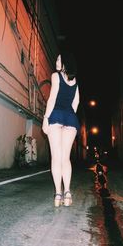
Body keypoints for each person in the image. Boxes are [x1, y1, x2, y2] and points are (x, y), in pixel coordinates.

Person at [42, 51, 80, 207]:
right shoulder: (75, 81)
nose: (56, 60)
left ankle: (58, 194)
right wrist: (68, 115)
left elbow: (52, 98)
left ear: (64, 63)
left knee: (56, 158)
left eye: (59, 58)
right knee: (66, 158)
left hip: (55, 116)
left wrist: (46, 119)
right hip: (71, 118)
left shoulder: (55, 76)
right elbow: (76, 102)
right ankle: (68, 193)